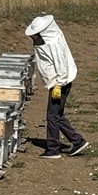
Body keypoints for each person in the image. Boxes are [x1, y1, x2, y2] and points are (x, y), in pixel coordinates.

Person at [25, 14, 91, 159]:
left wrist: (58, 85)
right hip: (59, 82)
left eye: (36, 35)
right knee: (57, 115)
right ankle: (77, 141)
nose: (34, 38)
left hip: (60, 83)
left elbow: (61, 66)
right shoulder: (51, 39)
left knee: (52, 116)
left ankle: (53, 149)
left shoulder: (52, 43)